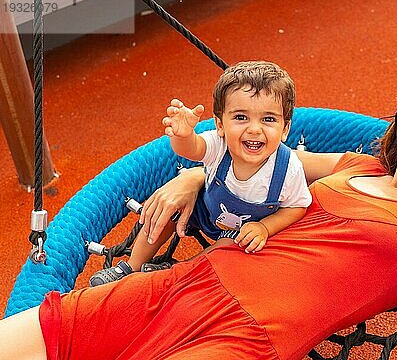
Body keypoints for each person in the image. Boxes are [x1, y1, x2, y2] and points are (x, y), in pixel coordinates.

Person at [0, 75, 397, 360]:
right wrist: (194, 173)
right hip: (181, 285)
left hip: (250, 338)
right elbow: (258, 156)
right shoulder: (350, 166)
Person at [89, 61, 312, 286]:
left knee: (226, 248)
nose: (254, 129)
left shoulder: (288, 168)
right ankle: (130, 266)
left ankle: (176, 274)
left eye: (268, 119)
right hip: (205, 211)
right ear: (220, 124)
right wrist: (183, 135)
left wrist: (265, 227)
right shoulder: (220, 144)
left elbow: (297, 207)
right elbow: (192, 149)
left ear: (285, 129)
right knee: (166, 209)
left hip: (243, 234)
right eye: (241, 117)